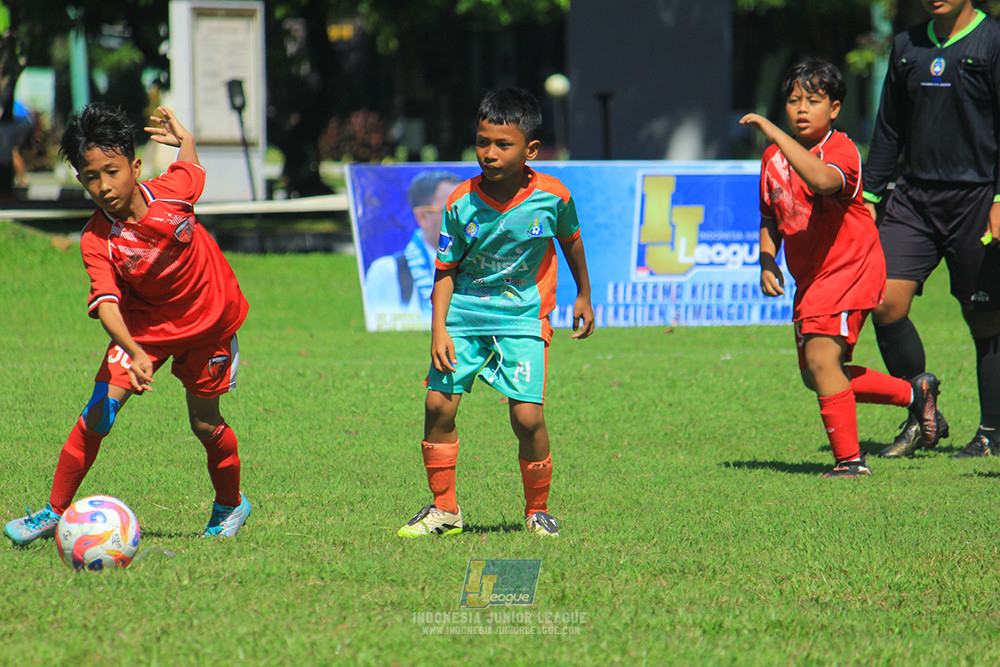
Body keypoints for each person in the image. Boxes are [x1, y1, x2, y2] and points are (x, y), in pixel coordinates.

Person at [4, 104, 251, 545]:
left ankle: (230, 505)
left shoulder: (174, 193)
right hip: (144, 330)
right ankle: (54, 512)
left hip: (209, 323)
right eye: (90, 177)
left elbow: (190, 166)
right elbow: (106, 304)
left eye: (112, 172)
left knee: (204, 424)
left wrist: (186, 139)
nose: (103, 186)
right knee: (98, 413)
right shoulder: (96, 239)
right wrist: (135, 351)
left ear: (135, 168)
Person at [397, 87, 595, 537]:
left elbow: (572, 242)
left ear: (531, 150)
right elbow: (445, 270)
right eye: (482, 142)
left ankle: (537, 510)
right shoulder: (460, 202)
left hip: (522, 317)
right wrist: (439, 329)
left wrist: (584, 294)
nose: (489, 153)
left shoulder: (553, 197)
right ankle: (445, 510)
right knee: (437, 406)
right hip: (464, 315)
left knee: (528, 418)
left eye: (503, 145)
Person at [741, 59, 941, 478]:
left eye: (813, 101)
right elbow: (770, 214)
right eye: (793, 100)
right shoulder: (773, 157)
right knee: (816, 373)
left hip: (849, 269)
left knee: (821, 360)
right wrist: (766, 260)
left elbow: (823, 182)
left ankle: (850, 462)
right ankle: (915, 393)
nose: (801, 109)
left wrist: (775, 133)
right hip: (812, 277)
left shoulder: (841, 149)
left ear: (834, 108)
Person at [864, 0, 1000, 459]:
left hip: (977, 198)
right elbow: (888, 129)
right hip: (914, 198)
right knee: (884, 302)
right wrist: (869, 198)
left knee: (985, 316)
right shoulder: (907, 45)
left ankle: (992, 433)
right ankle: (921, 411)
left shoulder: (994, 41)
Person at [364, 170, 462, 316]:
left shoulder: (483, 265)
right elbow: (379, 326)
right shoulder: (389, 271)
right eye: (453, 211)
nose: (464, 220)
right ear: (423, 217)